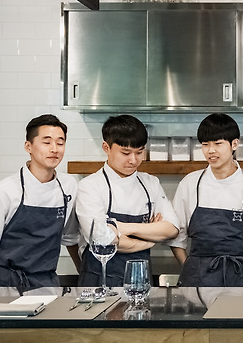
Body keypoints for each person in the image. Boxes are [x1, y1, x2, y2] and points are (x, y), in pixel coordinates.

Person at [0, 114, 81, 292]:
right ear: (28, 146)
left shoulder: (69, 187)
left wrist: (86, 279)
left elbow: (70, 239)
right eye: (47, 142)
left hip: (48, 287)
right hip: (6, 289)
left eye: (60, 143)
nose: (55, 149)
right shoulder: (1, 193)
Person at [74, 114, 180, 290]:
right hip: (99, 282)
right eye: (125, 153)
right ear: (106, 148)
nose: (133, 160)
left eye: (139, 152)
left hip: (140, 280)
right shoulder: (90, 186)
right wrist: (149, 240)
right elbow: (102, 239)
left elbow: (172, 228)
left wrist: (121, 228)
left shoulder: (150, 183)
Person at [170, 113, 243, 287]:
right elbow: (176, 235)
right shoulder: (190, 183)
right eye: (205, 144)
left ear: (234, 144)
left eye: (218, 144)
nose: (211, 150)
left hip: (238, 276)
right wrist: (189, 266)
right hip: (196, 277)